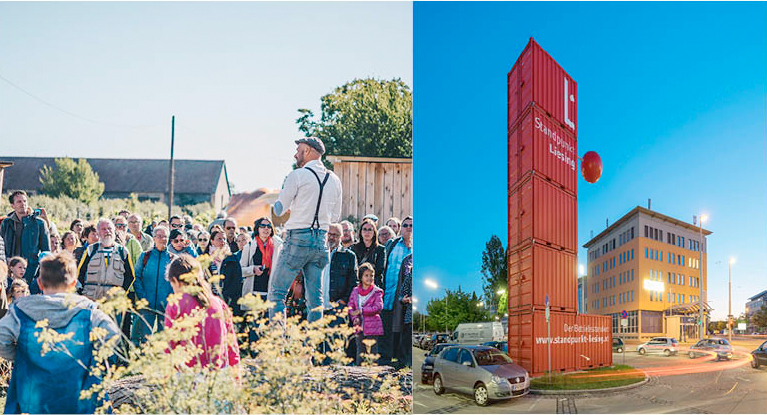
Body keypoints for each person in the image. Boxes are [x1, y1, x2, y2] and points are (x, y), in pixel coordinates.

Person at [0, 251, 120, 414]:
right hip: (77, 394)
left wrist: (22, 356)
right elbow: (112, 334)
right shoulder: (87, 310)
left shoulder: (21, 310)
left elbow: (1, 338)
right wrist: (90, 356)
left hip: (34, 396)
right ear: (73, 284)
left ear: (40, 283)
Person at [267, 137, 342, 323]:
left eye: (298, 149)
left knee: (277, 294)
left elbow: (280, 209)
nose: (295, 154)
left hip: (297, 239)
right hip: (320, 241)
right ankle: (312, 348)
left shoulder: (297, 175)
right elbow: (335, 218)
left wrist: (275, 201)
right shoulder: (334, 180)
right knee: (316, 301)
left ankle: (277, 343)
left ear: (308, 150)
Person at [164, 254, 240, 369]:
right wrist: (236, 377)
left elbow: (170, 346)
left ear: (175, 281)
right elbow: (232, 344)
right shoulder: (219, 303)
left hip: (189, 373)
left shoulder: (176, 304)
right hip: (219, 372)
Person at [380, 215, 412, 366]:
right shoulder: (392, 244)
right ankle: (385, 359)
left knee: (403, 327)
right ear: (401, 228)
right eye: (405, 225)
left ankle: (402, 360)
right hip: (389, 293)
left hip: (406, 296)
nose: (408, 228)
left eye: (411, 225)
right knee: (387, 326)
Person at [76, 218, 135, 302]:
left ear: (114, 230)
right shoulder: (91, 250)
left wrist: (122, 293)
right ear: (98, 232)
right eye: (103, 229)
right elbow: (80, 272)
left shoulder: (123, 251)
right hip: (91, 299)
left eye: (110, 228)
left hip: (113, 302)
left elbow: (130, 276)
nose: (107, 231)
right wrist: (83, 292)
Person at [133, 226, 174, 343]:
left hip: (165, 306)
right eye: (159, 236)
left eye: (165, 236)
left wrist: (170, 299)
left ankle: (160, 360)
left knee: (163, 340)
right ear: (154, 238)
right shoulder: (145, 256)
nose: (162, 239)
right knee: (146, 339)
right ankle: (145, 360)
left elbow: (176, 281)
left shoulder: (172, 258)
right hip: (147, 304)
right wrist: (142, 297)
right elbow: (136, 277)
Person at [0, 190, 50, 284]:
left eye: (25, 201)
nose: (23, 204)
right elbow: (1, 247)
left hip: (31, 269)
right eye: (19, 201)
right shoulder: (6, 223)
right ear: (12, 206)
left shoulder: (39, 223)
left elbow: (46, 251)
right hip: (9, 269)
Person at [348, 263, 384, 366]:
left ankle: (373, 374)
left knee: (372, 353)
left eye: (371, 275)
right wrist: (354, 317)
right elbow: (351, 306)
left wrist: (362, 311)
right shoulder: (355, 291)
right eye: (366, 275)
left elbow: (378, 307)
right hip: (359, 327)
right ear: (361, 277)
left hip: (373, 327)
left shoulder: (377, 292)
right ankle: (359, 375)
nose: (369, 278)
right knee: (360, 352)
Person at [240, 218, 282, 302]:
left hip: (271, 293)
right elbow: (240, 270)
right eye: (262, 226)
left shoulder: (278, 247)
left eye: (268, 226)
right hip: (253, 293)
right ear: (257, 229)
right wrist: (253, 269)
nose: (266, 228)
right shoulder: (249, 247)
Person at [323, 223, 357, 313]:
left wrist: (343, 300)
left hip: (337, 307)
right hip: (316, 306)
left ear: (341, 237)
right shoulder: (317, 253)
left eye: (335, 235)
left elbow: (353, 282)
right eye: (329, 234)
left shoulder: (349, 256)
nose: (331, 237)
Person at [351, 219, 387, 286]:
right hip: (358, 285)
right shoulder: (354, 248)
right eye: (364, 229)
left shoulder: (380, 249)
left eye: (370, 229)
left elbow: (379, 269)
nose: (367, 232)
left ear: (374, 233)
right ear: (361, 232)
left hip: (374, 285)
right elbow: (352, 268)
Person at [393, 253, 413, 369]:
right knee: (405, 343)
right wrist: (404, 299)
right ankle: (403, 366)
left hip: (414, 315)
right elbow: (401, 295)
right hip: (409, 316)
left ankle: (410, 367)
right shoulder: (410, 276)